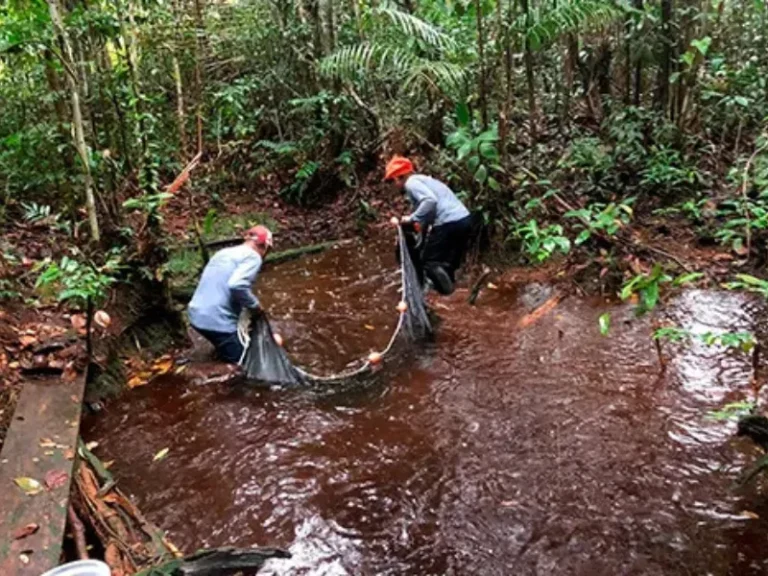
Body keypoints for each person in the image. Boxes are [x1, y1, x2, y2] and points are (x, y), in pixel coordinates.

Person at [384, 156, 472, 295]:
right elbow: (429, 213)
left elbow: (430, 202)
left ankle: (449, 295)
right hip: (463, 219)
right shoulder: (424, 180)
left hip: (448, 222)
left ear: (397, 178)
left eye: (391, 181)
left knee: (430, 262)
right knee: (448, 262)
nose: (393, 186)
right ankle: (455, 295)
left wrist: (412, 218)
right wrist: (422, 235)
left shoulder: (411, 183)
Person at [188, 225, 273, 363]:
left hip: (196, 315)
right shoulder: (253, 257)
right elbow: (237, 285)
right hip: (217, 321)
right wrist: (255, 306)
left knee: (225, 346)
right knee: (246, 363)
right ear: (265, 246)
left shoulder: (224, 253)